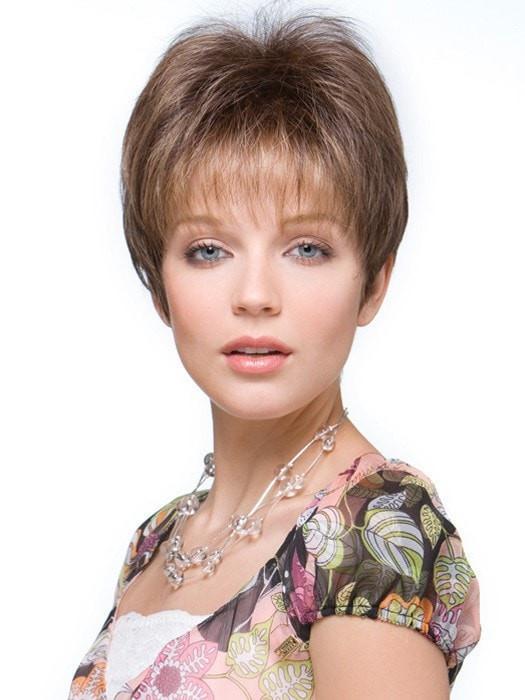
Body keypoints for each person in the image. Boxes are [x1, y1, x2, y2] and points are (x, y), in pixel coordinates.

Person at [68, 4, 481, 698]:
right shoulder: (158, 540)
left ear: (373, 284)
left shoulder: (374, 528)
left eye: (306, 249)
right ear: (159, 287)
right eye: (208, 250)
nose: (255, 294)